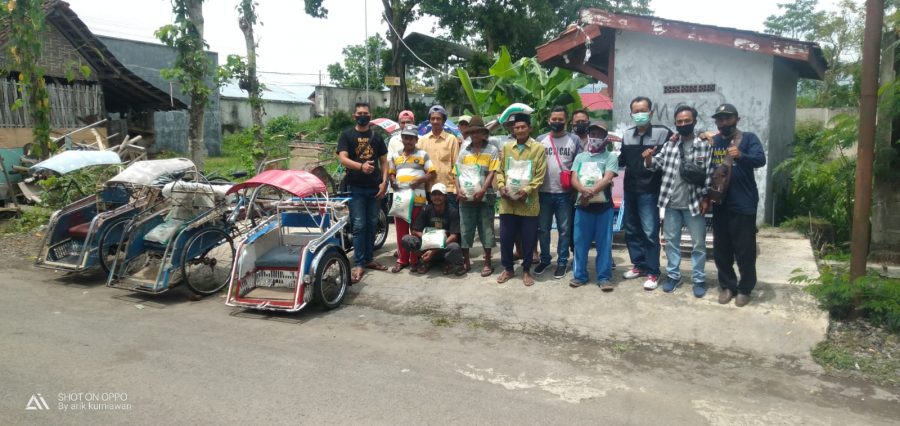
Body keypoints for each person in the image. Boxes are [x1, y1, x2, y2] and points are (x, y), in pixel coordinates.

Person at [643, 105, 713, 297]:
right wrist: (648, 158)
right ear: (675, 123)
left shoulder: (704, 145)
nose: (683, 124)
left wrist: (706, 198)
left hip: (694, 204)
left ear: (694, 122)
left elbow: (709, 174)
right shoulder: (670, 145)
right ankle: (673, 276)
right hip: (671, 203)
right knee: (671, 243)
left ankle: (698, 279)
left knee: (698, 244)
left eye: (687, 121)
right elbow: (655, 164)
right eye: (679, 121)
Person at [708, 103, 766, 307]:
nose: (723, 122)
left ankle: (745, 288)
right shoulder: (713, 141)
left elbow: (760, 160)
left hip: (743, 202)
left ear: (737, 119)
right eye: (720, 119)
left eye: (728, 118)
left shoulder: (748, 138)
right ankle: (727, 286)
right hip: (720, 202)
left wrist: (741, 156)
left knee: (745, 249)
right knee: (721, 248)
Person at [620, 96, 671, 290]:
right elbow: (622, 160)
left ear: (651, 112)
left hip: (650, 191)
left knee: (650, 232)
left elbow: (678, 143)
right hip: (630, 189)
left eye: (643, 111)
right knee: (631, 230)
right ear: (631, 114)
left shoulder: (662, 133)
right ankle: (639, 265)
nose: (639, 114)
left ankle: (653, 271)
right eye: (636, 111)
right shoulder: (627, 135)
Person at [336, 102, 389, 283]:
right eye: (359, 113)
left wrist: (384, 183)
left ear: (370, 116)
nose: (362, 116)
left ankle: (369, 259)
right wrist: (361, 166)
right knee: (359, 225)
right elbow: (343, 158)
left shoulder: (377, 137)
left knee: (372, 224)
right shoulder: (347, 135)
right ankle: (359, 263)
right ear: (354, 116)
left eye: (365, 113)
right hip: (356, 187)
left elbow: (384, 162)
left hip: (375, 187)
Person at [495, 113, 547, 286]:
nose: (520, 130)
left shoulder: (538, 149)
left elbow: (540, 175)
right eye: (516, 127)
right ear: (513, 129)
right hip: (507, 203)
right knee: (506, 238)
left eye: (523, 127)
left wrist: (526, 190)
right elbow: (500, 171)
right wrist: (501, 186)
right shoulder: (506, 148)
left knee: (528, 239)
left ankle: (526, 271)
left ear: (529, 128)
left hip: (528, 203)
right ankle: (508, 268)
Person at [570, 126, 619, 290]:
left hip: (604, 208)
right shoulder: (580, 157)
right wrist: (582, 190)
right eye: (592, 134)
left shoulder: (610, 156)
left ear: (605, 137)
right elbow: (574, 178)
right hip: (582, 207)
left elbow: (608, 178)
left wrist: (590, 192)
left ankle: (604, 278)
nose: (595, 137)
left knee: (604, 244)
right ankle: (579, 276)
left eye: (599, 134)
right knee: (580, 243)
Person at [534, 105, 580, 279]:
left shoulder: (574, 140)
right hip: (543, 192)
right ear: (549, 120)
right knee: (543, 229)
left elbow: (579, 165)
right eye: (554, 119)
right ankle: (545, 259)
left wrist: (576, 189)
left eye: (560, 119)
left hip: (565, 194)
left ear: (566, 121)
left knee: (564, 230)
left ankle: (562, 262)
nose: (557, 122)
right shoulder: (540, 140)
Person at [454, 116, 499, 277]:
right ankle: (466, 262)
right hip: (465, 197)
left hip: (485, 196)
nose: (474, 135)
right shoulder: (464, 151)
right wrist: (458, 190)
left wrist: (483, 190)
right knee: (465, 228)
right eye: (471, 132)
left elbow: (492, 172)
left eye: (477, 132)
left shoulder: (492, 150)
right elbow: (456, 172)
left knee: (486, 229)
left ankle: (487, 263)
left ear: (483, 133)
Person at [388, 124, 437, 273]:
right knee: (401, 231)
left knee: (416, 230)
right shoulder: (395, 156)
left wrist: (419, 180)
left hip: (418, 199)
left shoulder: (423, 155)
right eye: (405, 137)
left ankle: (415, 260)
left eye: (411, 138)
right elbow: (391, 173)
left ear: (416, 140)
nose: (408, 141)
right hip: (400, 200)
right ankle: (402, 260)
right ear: (402, 139)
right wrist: (393, 181)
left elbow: (432, 173)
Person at [401, 183, 465, 275]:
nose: (437, 197)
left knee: (454, 247)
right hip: (427, 245)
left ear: (445, 197)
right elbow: (415, 230)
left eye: (440, 194)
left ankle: (447, 262)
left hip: (443, 247)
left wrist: (434, 250)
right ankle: (426, 260)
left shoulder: (452, 211)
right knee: (407, 239)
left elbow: (454, 236)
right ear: (430, 197)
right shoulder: (425, 209)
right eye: (434, 194)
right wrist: (428, 239)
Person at [418, 105, 461, 210]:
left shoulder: (451, 139)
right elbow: (419, 166)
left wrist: (458, 188)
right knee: (431, 219)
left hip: (448, 189)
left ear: (443, 121)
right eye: (432, 118)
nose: (435, 121)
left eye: (438, 118)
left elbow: (456, 166)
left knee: (451, 218)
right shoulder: (422, 141)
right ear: (429, 120)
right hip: (429, 189)